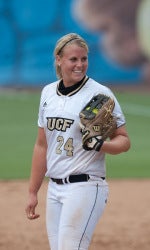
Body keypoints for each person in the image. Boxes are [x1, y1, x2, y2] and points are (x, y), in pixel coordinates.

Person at [25, 33, 130, 250]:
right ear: (59, 59)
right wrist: (33, 192)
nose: (80, 65)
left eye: (84, 59)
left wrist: (101, 144)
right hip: (55, 189)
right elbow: (41, 145)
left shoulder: (100, 94)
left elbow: (123, 141)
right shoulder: (47, 94)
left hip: (86, 186)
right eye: (73, 59)